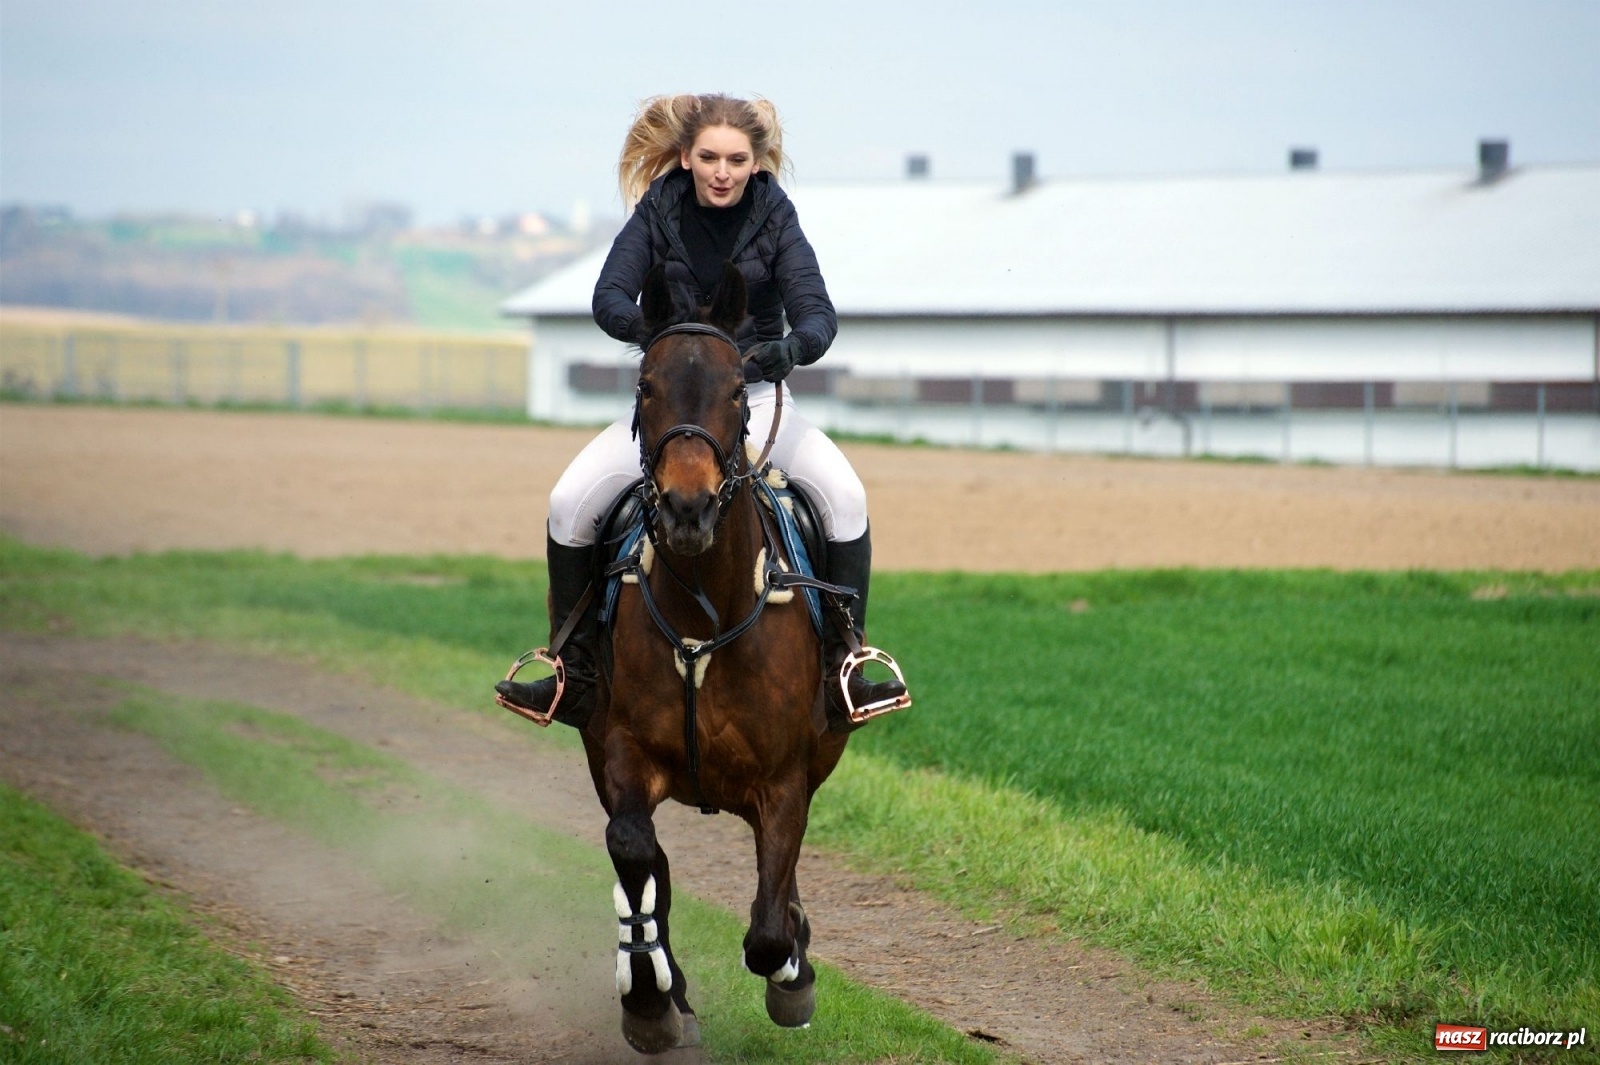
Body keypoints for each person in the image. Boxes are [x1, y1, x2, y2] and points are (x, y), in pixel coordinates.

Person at [496, 92, 905, 732]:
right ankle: (572, 675)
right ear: (685, 157)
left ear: (756, 161)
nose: (723, 172)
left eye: (737, 160)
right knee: (568, 501)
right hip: (673, 404)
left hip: (755, 396)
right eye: (709, 157)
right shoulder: (658, 208)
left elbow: (819, 315)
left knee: (847, 497)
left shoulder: (776, 214)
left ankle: (842, 669)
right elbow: (608, 295)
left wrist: (786, 350)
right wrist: (669, 346)